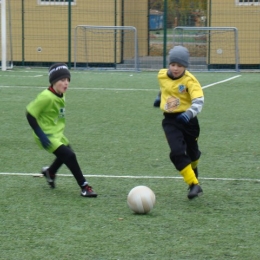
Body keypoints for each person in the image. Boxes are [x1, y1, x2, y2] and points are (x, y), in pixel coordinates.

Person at [26, 63, 97, 198]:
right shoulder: (46, 96)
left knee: (66, 154)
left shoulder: (60, 93)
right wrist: (40, 134)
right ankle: (84, 186)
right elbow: (30, 114)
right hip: (46, 134)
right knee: (69, 156)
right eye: (62, 80)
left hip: (56, 133)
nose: (66, 84)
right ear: (53, 81)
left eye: (67, 80)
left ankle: (50, 173)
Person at [157, 46, 204, 199]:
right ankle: (193, 184)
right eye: (173, 64)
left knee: (193, 154)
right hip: (171, 121)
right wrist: (159, 98)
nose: (175, 68)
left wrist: (189, 113)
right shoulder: (161, 75)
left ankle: (193, 170)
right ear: (169, 64)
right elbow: (165, 87)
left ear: (185, 66)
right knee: (176, 152)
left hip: (189, 122)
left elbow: (199, 101)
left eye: (180, 66)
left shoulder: (190, 81)